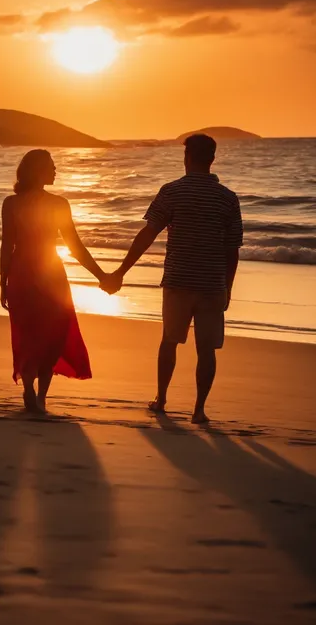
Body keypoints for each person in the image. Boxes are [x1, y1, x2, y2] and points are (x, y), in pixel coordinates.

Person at [101, 134, 243, 423]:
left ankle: (162, 400)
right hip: (212, 284)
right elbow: (232, 250)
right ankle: (199, 410)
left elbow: (147, 235)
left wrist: (120, 272)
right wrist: (228, 287)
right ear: (212, 159)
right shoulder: (228, 199)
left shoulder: (172, 192)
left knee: (169, 340)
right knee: (206, 349)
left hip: (178, 280)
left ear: (187, 157)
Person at [0, 149, 106, 413]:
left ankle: (32, 391)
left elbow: (7, 246)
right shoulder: (58, 204)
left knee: (31, 334)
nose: (55, 170)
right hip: (49, 273)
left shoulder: (12, 204)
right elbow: (76, 247)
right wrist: (102, 276)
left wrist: (3, 281)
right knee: (51, 335)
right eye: (51, 166)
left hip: (23, 272)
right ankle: (39, 397)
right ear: (37, 170)